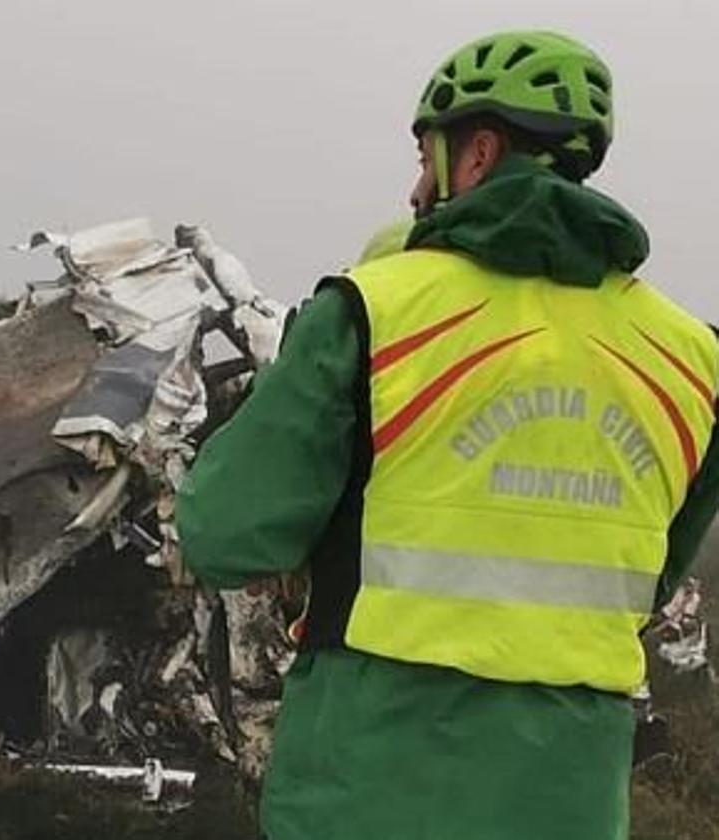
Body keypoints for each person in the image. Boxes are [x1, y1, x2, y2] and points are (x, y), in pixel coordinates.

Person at [177, 30, 719, 839]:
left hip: (368, 784)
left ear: (477, 155)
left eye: (427, 158)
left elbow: (223, 533)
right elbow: (649, 576)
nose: (415, 189)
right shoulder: (691, 358)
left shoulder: (373, 311)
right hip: (568, 796)